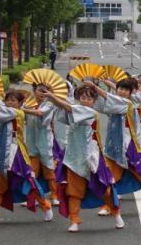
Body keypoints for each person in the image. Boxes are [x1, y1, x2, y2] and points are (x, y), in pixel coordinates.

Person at [41, 83, 119, 232]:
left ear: (94, 102)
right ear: (78, 98)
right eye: (83, 97)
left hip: (91, 159)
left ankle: (116, 213)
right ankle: (74, 220)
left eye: (89, 99)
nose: (85, 101)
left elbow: (68, 108)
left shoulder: (91, 112)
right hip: (73, 158)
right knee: (73, 191)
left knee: (104, 190)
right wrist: (53, 99)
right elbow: (64, 112)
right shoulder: (75, 110)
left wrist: (52, 97)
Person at [89, 76, 141, 215]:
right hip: (113, 147)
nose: (122, 92)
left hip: (129, 147)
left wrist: (96, 87)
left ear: (131, 92)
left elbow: (111, 99)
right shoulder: (115, 102)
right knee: (109, 178)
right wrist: (90, 92)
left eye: (126, 90)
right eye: (120, 89)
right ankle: (108, 206)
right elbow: (100, 104)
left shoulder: (128, 103)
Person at [0, 87, 52, 224]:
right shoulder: (5, 110)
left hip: (17, 151)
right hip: (0, 151)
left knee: (28, 180)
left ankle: (45, 205)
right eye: (8, 100)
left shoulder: (18, 113)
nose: (10, 103)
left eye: (13, 100)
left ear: (20, 103)